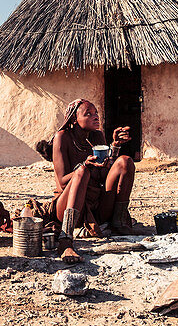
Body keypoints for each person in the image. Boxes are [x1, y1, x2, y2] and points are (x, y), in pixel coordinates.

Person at [36, 99, 136, 262]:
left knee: (125, 162)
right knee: (81, 172)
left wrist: (115, 147)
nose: (95, 117)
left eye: (96, 113)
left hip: (96, 206)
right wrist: (85, 166)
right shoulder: (62, 137)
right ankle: (66, 240)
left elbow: (105, 176)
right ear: (74, 119)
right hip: (68, 204)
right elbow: (62, 182)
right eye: (88, 114)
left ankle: (119, 223)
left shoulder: (97, 136)